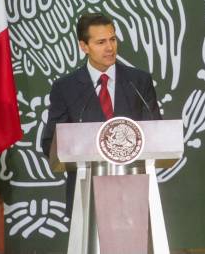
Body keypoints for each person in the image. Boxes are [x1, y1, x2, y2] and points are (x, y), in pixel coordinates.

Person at [41, 12, 162, 215]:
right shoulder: (65, 88)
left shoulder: (139, 81)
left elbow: (156, 131)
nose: (110, 48)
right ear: (84, 46)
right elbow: (50, 142)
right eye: (101, 42)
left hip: (133, 190)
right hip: (85, 190)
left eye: (113, 39)